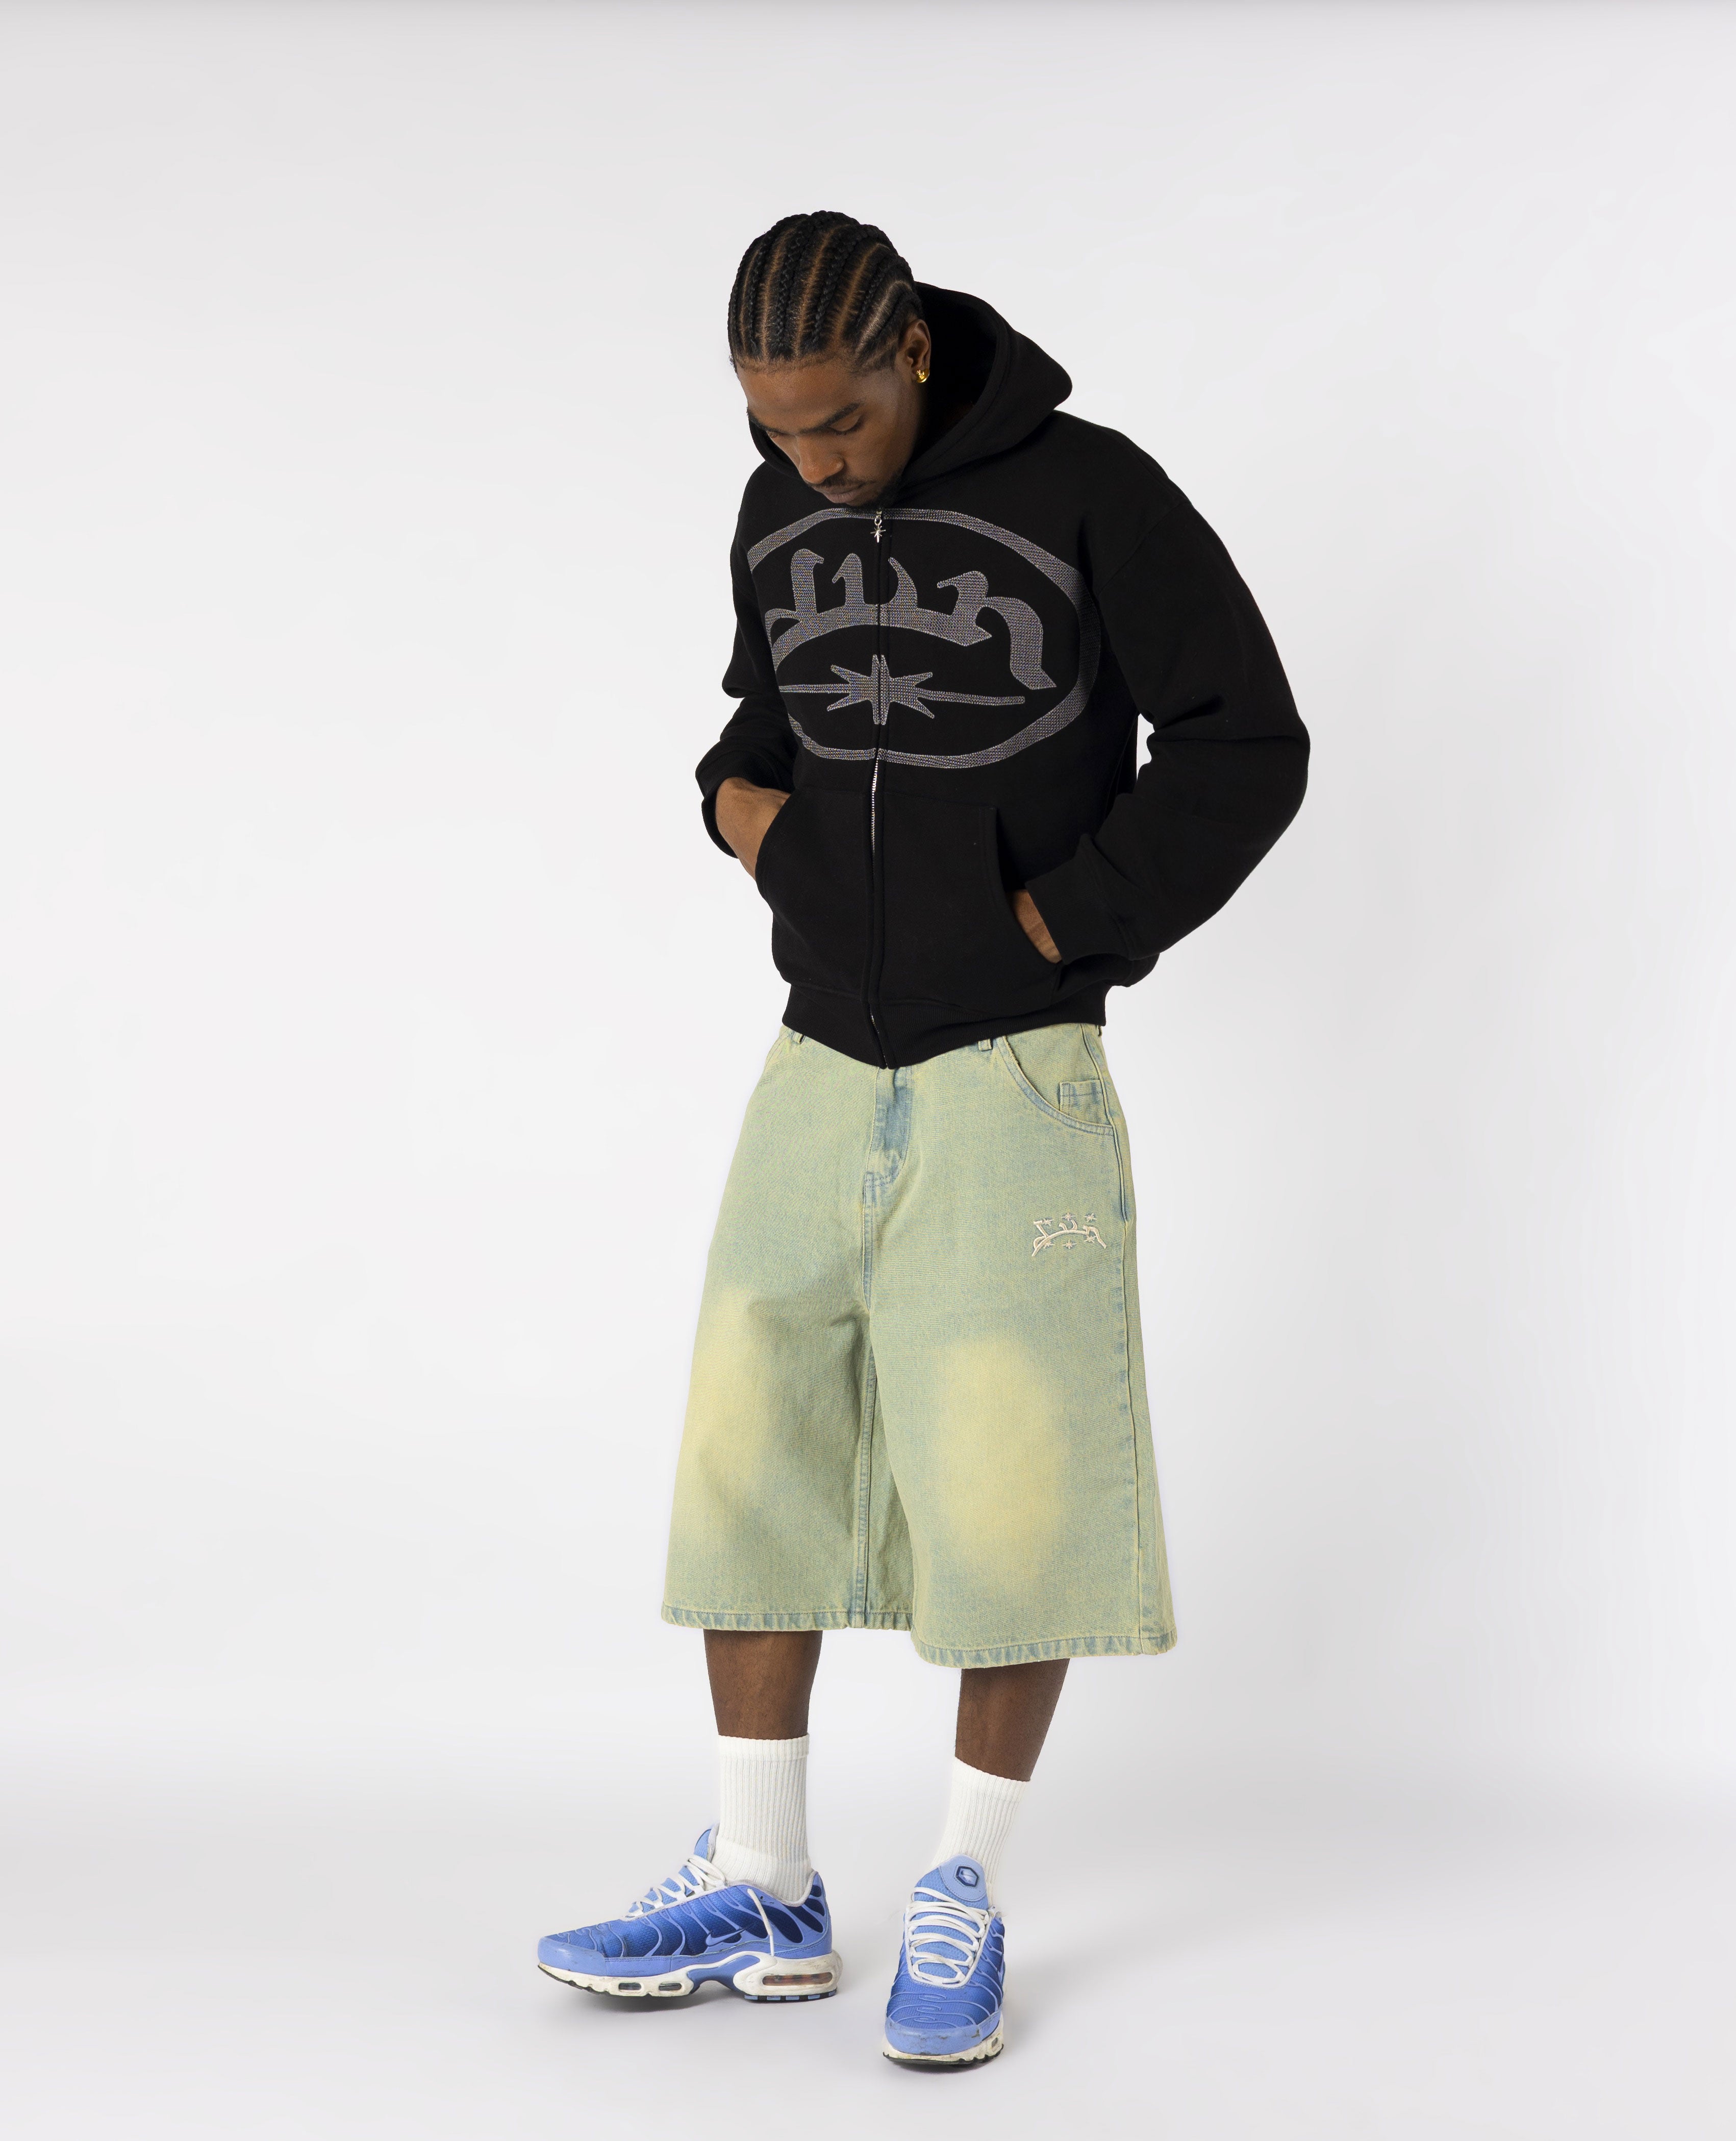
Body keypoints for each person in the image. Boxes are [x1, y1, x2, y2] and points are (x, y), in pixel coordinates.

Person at [538, 211, 1307, 2068]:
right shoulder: (776, 505)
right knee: (752, 1446)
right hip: (819, 1051)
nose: (810, 460)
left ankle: (964, 1882)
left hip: (1013, 1065)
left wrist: (1056, 922)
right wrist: (745, 819)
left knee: (1009, 1479)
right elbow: (766, 716)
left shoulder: (1093, 492)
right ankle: (763, 1880)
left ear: (913, 352)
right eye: (773, 428)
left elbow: (1245, 743)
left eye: (840, 421)